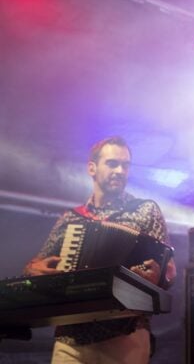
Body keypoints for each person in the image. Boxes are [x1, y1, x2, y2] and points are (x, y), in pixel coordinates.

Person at [23, 136, 176, 364]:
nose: (120, 170)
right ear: (92, 168)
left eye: (125, 165)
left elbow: (169, 270)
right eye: (112, 163)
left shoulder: (146, 210)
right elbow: (35, 266)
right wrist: (34, 270)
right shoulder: (71, 219)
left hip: (127, 333)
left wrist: (159, 276)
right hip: (71, 339)